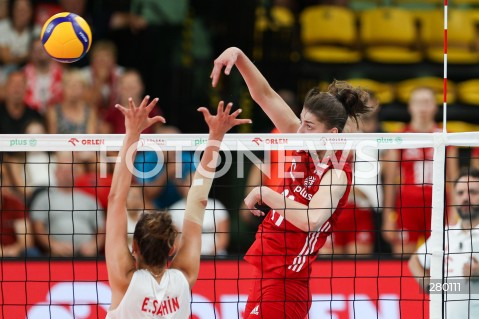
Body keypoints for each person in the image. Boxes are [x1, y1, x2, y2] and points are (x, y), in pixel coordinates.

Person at [211, 47, 372, 318]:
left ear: (331, 134)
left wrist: (265, 192)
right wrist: (238, 56)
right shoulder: (302, 140)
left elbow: (312, 218)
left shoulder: (337, 173)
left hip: (287, 280)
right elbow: (264, 95)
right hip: (267, 272)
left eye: (308, 126)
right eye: (300, 122)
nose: (298, 131)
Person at [105, 96, 250, 318]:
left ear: (134, 246)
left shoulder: (125, 281)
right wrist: (216, 138)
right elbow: (199, 200)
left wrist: (133, 134)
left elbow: (116, 199)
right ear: (172, 248)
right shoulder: (184, 277)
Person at [382, 87, 459, 255]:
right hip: (407, 205)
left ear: (435, 107)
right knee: (403, 259)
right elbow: (389, 181)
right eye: (418, 102)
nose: (422, 108)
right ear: (410, 107)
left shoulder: (446, 137)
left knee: (440, 257)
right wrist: (388, 216)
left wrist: (454, 212)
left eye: (427, 102)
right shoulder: (400, 136)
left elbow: (453, 179)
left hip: (438, 204)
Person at [408, 169, 479, 318]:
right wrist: (432, 287)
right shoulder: (444, 234)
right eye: (460, 193)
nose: (466, 198)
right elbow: (414, 261)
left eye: (472, 192)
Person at [29, 151, 105, 257]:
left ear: (76, 173)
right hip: (54, 255)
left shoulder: (90, 200)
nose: (66, 174)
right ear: (55, 172)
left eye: (70, 170)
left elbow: (101, 229)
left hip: (87, 256)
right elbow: (38, 228)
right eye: (62, 170)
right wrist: (54, 245)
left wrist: (93, 245)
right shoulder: (43, 198)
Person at [45, 69, 97, 134]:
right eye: (69, 85)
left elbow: (91, 139)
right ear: (63, 87)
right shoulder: (54, 111)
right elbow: (52, 140)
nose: (73, 89)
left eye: (77, 86)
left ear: (83, 89)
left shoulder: (89, 111)